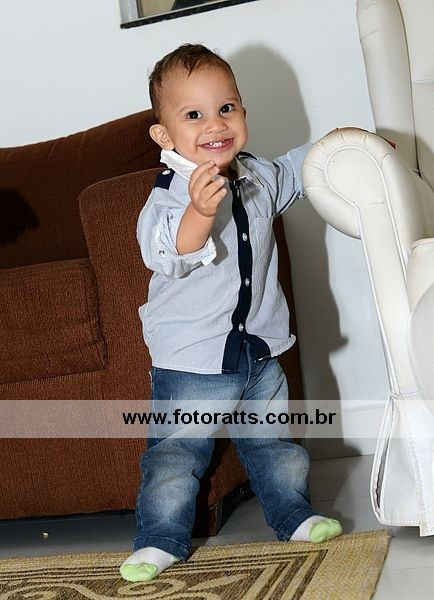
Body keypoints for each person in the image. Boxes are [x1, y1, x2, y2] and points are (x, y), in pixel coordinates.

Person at [120, 43, 342, 583]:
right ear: (164, 135)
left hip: (259, 347)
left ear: (243, 112)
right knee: (177, 454)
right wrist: (200, 211)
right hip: (193, 357)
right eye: (193, 114)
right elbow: (167, 251)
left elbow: (297, 171)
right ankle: (160, 539)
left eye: (226, 108)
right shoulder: (171, 196)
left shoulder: (257, 176)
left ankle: (293, 516)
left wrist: (344, 148)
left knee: (275, 443)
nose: (215, 124)